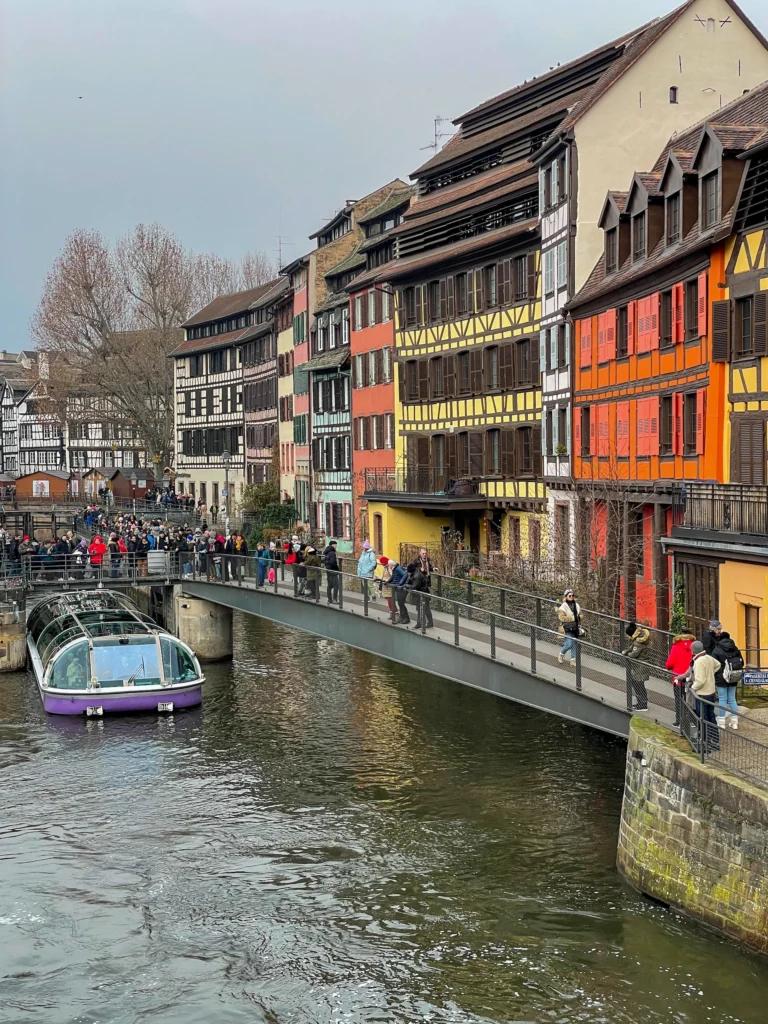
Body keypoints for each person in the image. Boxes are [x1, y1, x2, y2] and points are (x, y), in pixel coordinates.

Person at [711, 629, 744, 730]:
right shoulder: (735, 649)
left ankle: (721, 722)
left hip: (721, 678)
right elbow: (742, 663)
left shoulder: (717, 650)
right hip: (734, 676)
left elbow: (713, 664)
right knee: (732, 699)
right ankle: (734, 722)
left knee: (722, 699)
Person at [690, 639, 720, 751]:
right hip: (711, 692)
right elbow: (718, 665)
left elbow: (700, 681)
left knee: (703, 718)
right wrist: (711, 674)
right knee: (711, 716)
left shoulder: (698, 661)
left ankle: (704, 743)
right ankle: (714, 740)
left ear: (694, 651)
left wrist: (693, 688)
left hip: (702, 694)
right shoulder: (708, 658)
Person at [665, 632, 695, 727]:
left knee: (678, 699)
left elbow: (669, 664)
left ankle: (679, 721)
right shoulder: (694, 646)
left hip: (678, 677)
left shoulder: (676, 647)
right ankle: (692, 720)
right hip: (691, 677)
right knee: (691, 700)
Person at [622, 621, 650, 711]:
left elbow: (634, 654)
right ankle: (641, 702)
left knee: (638, 685)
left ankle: (643, 704)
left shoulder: (638, 643)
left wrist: (626, 654)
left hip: (640, 667)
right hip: (639, 667)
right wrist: (626, 651)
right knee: (638, 684)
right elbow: (631, 648)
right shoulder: (637, 640)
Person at [407, 548, 437, 628]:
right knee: (420, 606)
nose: (424, 554)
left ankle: (427, 623)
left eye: (425, 553)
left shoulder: (427, 560)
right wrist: (419, 569)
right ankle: (421, 623)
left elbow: (428, 568)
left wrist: (432, 568)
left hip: (424, 585)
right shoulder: (416, 561)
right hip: (421, 585)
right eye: (423, 553)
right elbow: (411, 568)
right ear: (420, 553)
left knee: (425, 606)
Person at [556, 588, 581, 668]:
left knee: (574, 643)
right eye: (569, 596)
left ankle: (573, 660)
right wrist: (573, 618)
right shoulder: (563, 606)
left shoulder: (576, 605)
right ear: (566, 597)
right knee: (569, 644)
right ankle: (561, 654)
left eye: (572, 595)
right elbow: (561, 618)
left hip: (574, 627)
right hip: (566, 627)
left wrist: (579, 617)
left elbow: (581, 615)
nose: (571, 597)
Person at [408, 563, 434, 629]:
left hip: (423, 594)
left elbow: (414, 586)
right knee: (421, 608)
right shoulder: (415, 574)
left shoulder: (417, 576)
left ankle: (426, 623)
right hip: (421, 594)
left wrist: (407, 586)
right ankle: (422, 623)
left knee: (425, 608)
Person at [389, 559, 410, 624]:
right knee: (400, 603)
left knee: (401, 603)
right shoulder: (395, 569)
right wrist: (388, 582)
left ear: (391, 565)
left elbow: (405, 575)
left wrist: (400, 583)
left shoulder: (397, 569)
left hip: (401, 588)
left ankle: (405, 618)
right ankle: (402, 617)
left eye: (389, 565)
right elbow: (393, 577)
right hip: (398, 588)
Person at [323, 539, 340, 604]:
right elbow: (333, 562)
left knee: (329, 585)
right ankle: (334, 599)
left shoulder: (327, 552)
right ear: (333, 545)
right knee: (336, 585)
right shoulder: (332, 553)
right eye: (335, 545)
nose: (336, 546)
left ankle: (329, 599)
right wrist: (337, 569)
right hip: (333, 571)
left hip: (328, 570)